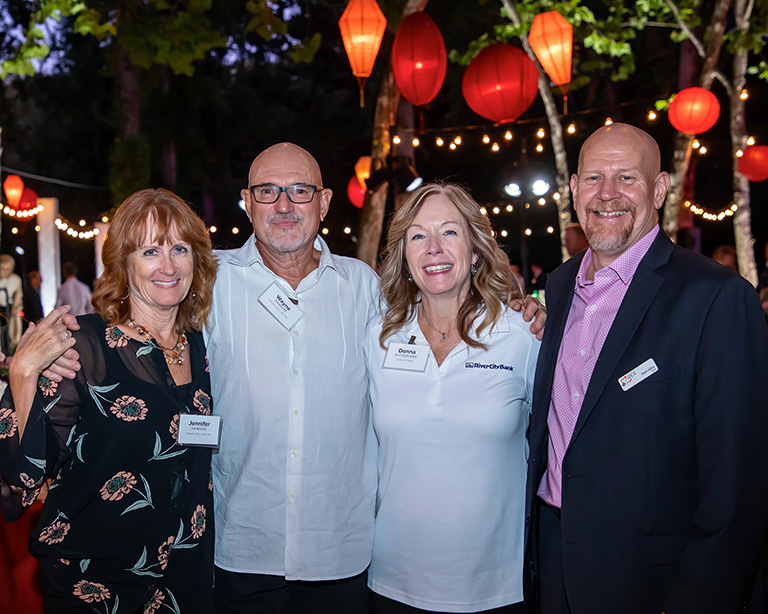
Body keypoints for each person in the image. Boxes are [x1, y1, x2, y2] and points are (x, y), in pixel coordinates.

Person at [204, 143, 545, 614]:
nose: (283, 204)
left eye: (299, 191)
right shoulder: (207, 281)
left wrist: (523, 308)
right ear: (246, 200)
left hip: (342, 558)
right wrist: (69, 352)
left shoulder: (362, 287)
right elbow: (141, 323)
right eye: (267, 191)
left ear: (323, 203)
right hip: (242, 548)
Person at [525, 123, 768, 614]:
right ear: (573, 189)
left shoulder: (715, 297)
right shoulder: (557, 285)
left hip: (651, 584)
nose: (607, 194)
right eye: (593, 178)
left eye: (626, 179)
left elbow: (737, 487)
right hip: (551, 566)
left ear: (659, 190)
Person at [0, 188, 218, 613]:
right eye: (150, 251)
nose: (169, 266)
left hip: (185, 577)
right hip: (95, 582)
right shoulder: (80, 346)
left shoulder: (201, 345)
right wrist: (23, 372)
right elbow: (22, 480)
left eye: (179, 248)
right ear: (123, 263)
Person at [366, 183, 540, 613]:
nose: (434, 248)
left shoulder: (521, 334)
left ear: (476, 250)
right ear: (405, 258)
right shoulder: (378, 338)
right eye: (418, 236)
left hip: (496, 586)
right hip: (391, 581)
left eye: (450, 232)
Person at [0, 253, 24, 353]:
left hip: (9, 311)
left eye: (8, 269)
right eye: (3, 268)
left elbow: (18, 297)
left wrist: (17, 308)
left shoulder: (15, 280)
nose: (5, 271)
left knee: (11, 333)